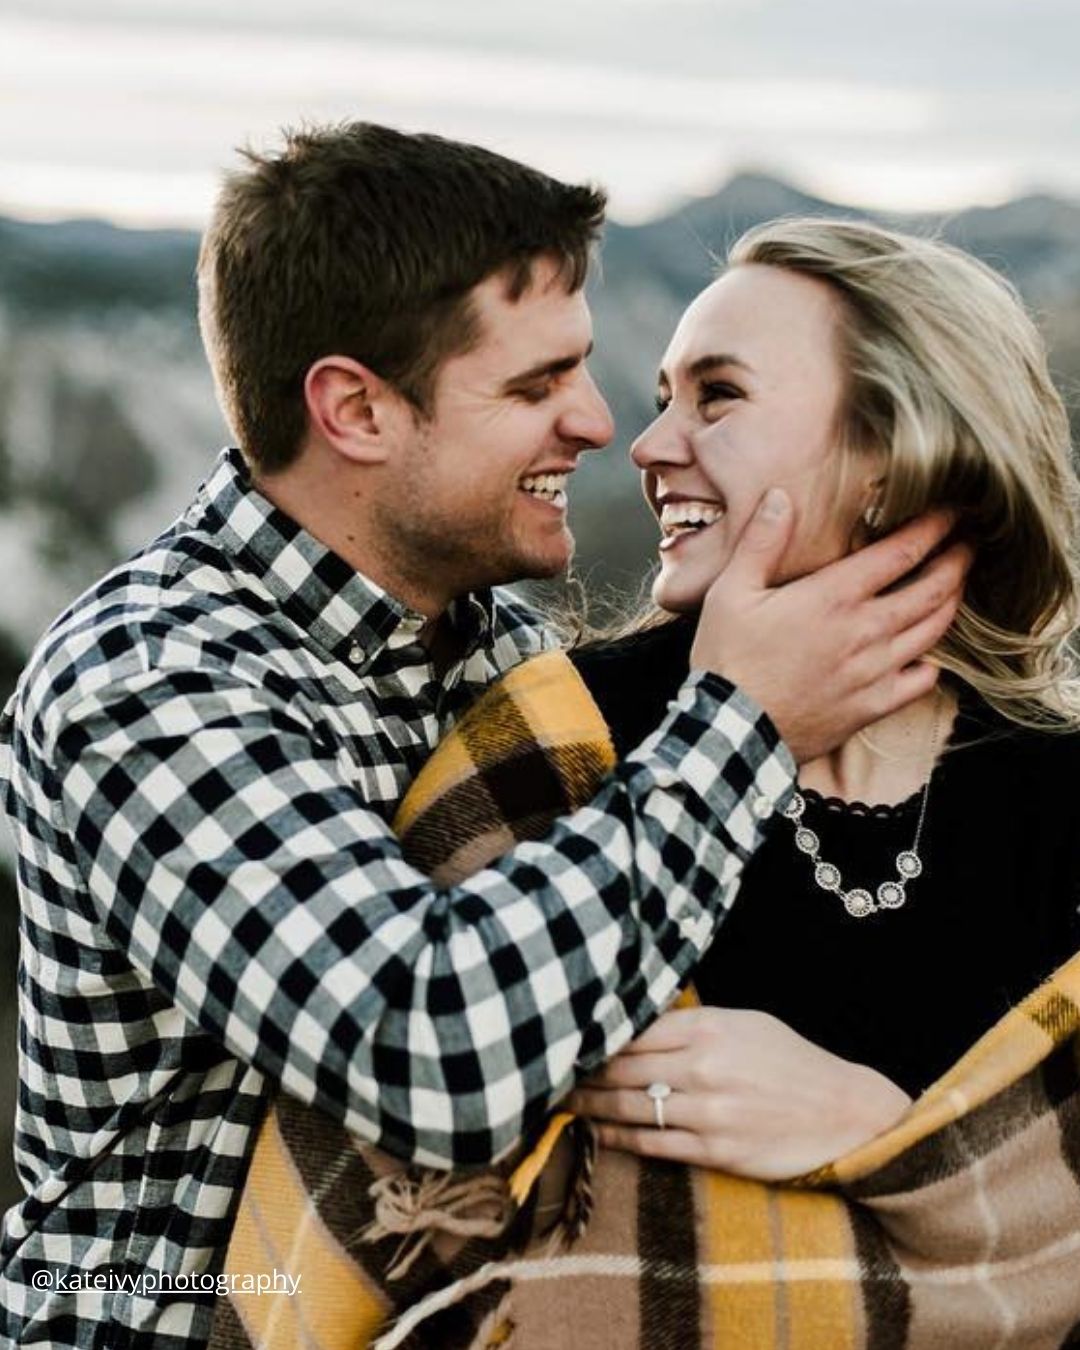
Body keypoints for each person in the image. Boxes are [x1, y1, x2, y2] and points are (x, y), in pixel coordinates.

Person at [0, 128, 964, 1348]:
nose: (601, 424)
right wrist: (748, 724)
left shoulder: (502, 654)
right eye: (534, 386)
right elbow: (432, 1052)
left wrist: (872, 1117)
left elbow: (620, 999)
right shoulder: (149, 681)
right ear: (356, 409)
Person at [567, 217, 1080, 1181]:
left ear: (891, 452)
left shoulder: (1059, 787)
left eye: (717, 397)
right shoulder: (565, 732)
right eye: (663, 398)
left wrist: (891, 1130)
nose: (646, 446)